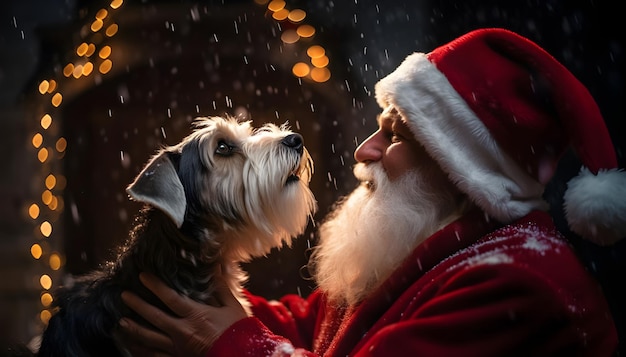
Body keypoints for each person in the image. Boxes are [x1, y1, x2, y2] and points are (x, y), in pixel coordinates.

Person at [118, 28, 625, 356]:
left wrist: (232, 342)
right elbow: (320, 326)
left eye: (395, 135)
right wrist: (193, 303)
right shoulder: (439, 246)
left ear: (460, 169)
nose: (365, 151)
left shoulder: (519, 284)